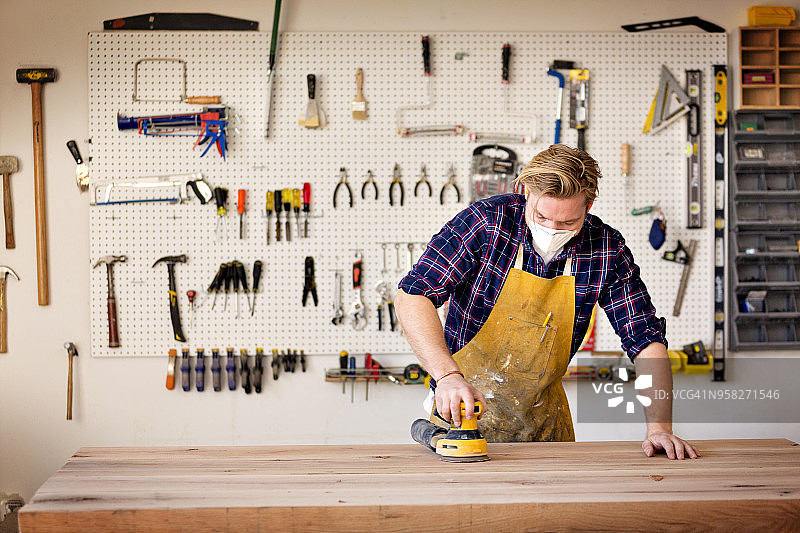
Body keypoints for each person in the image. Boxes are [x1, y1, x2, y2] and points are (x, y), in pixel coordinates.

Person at [396, 144, 698, 460]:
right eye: (541, 216)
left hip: (546, 430)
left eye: (568, 222)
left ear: (589, 205)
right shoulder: (485, 224)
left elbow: (646, 341)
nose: (552, 230)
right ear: (526, 191)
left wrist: (660, 428)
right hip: (462, 417)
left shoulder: (606, 249)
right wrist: (446, 376)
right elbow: (413, 296)